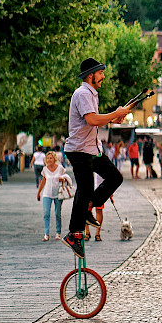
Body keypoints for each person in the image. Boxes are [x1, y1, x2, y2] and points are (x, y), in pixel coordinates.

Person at [60, 59, 130, 257]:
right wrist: (114, 113)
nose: (103, 76)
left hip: (91, 149)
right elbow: (91, 119)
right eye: (100, 73)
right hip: (79, 150)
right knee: (84, 188)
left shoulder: (91, 94)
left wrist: (114, 118)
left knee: (115, 177)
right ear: (91, 75)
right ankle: (73, 234)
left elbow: (93, 122)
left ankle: (89, 206)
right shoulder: (82, 93)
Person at [36, 151, 70, 241]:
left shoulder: (60, 168)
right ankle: (46, 234)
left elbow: (65, 179)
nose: (49, 160)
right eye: (47, 158)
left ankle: (58, 232)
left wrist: (62, 179)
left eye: (51, 158)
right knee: (46, 213)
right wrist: (39, 192)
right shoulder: (45, 169)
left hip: (58, 194)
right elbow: (43, 181)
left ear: (54, 159)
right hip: (47, 194)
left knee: (57, 213)